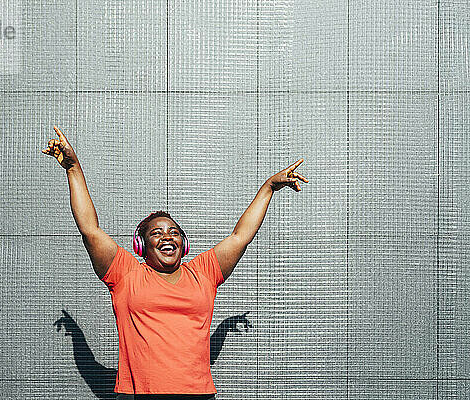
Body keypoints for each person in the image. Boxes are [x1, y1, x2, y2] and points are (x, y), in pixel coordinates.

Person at [42, 126, 308, 400]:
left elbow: (240, 236)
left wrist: (269, 188)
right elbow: (90, 229)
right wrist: (72, 169)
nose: (167, 237)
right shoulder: (125, 273)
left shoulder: (202, 272)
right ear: (141, 246)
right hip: (139, 396)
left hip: (198, 395)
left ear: (184, 244)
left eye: (174, 232)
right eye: (156, 233)